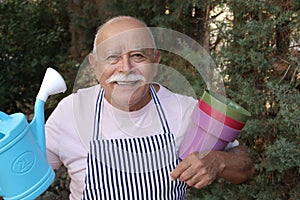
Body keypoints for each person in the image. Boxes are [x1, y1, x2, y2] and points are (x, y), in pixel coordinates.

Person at [45, 16, 254, 200]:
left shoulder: (186, 110)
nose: (125, 68)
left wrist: (218, 161)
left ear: (155, 63)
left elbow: (245, 167)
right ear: (95, 64)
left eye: (138, 56)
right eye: (112, 57)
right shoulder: (71, 111)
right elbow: (24, 177)